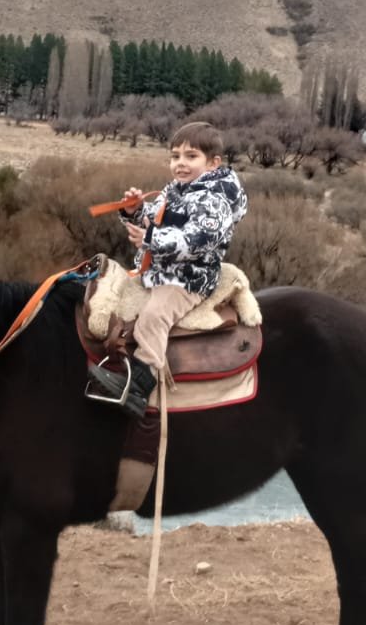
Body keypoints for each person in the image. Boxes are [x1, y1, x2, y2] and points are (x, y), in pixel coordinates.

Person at [89, 121, 248, 418]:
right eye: (175, 156)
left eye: (191, 156)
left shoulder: (215, 199)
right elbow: (154, 218)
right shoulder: (175, 190)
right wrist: (134, 211)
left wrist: (151, 239)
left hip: (188, 278)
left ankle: (139, 383)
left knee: (154, 315)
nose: (180, 163)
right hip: (159, 272)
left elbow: (198, 239)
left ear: (213, 163)